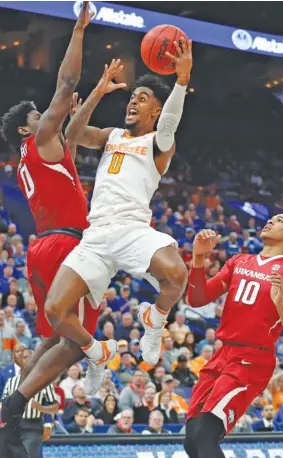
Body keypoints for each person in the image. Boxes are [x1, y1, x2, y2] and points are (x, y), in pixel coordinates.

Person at [0, 4, 116, 454]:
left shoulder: (44, 151)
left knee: (51, 335)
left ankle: (10, 411)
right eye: (38, 113)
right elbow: (65, 87)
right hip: (68, 245)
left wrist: (101, 91)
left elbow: (75, 122)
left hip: (42, 250)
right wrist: (80, 29)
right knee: (70, 344)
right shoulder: (39, 137)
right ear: (28, 127)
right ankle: (97, 355)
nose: (46, 114)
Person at [45, 38, 193, 377]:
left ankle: (154, 319)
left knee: (176, 274)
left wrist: (181, 82)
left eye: (142, 100)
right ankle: (98, 351)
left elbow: (169, 123)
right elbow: (73, 133)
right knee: (55, 310)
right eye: (131, 97)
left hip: (132, 228)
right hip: (96, 234)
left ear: (155, 111)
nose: (133, 103)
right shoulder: (112, 135)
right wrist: (98, 92)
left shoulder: (157, 144)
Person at [185, 214, 283, 458]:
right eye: (271, 219)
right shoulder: (239, 261)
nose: (271, 221)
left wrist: (280, 304)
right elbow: (197, 298)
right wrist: (199, 258)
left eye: (280, 221)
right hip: (223, 353)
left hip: (252, 359)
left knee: (205, 433)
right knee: (192, 439)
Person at [3, 348, 58, 458]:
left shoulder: (45, 382)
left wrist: (40, 407)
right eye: (25, 357)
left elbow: (55, 407)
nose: (29, 360)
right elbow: (3, 405)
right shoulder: (11, 381)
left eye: (32, 358)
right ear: (20, 360)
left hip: (32, 426)